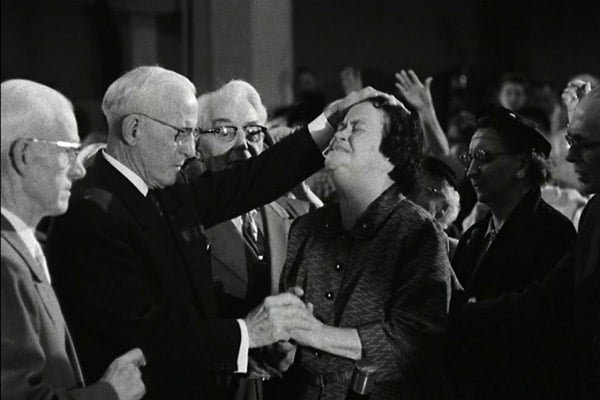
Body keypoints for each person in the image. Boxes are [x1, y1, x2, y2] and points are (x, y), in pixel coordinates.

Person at [46, 65, 391, 400]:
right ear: (134, 130)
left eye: (193, 135)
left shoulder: (163, 187)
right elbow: (144, 335)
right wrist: (247, 333)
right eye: (180, 133)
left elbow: (247, 183)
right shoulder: (91, 211)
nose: (191, 149)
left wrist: (326, 125)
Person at [275, 98, 454, 399]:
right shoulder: (305, 229)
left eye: (356, 128)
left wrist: (317, 335)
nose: (339, 134)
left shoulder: (417, 232)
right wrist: (281, 348)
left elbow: (414, 346)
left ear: (391, 156)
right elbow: (287, 358)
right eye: (341, 126)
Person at [1, 79, 146, 400]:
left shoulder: (23, 246)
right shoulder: (4, 263)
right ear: (24, 154)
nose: (79, 171)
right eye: (69, 151)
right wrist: (110, 392)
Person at [453, 85, 600, 400]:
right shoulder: (474, 235)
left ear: (522, 165)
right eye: (470, 158)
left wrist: (459, 315)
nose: (471, 171)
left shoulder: (553, 231)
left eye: (485, 158)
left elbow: (547, 310)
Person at [193, 79, 315, 400]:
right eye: (224, 132)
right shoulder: (185, 222)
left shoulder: (290, 216)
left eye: (253, 131)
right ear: (196, 144)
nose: (243, 145)